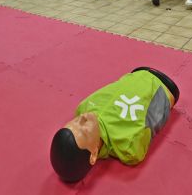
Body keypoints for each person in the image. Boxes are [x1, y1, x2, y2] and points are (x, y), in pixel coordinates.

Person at [50, 67, 179, 183]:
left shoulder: (83, 108)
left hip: (135, 73)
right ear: (93, 155)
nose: (82, 118)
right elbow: (154, 116)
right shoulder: (128, 146)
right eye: (84, 131)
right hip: (164, 85)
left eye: (74, 122)